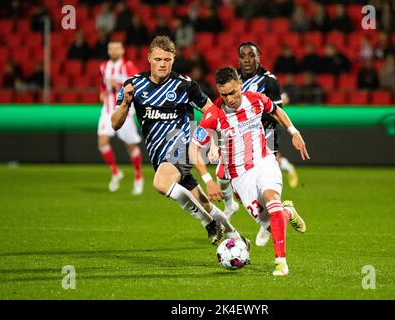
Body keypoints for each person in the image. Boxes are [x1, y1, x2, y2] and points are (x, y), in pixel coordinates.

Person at [111, 36, 247, 246]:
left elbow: (212, 111)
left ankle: (209, 224)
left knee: (161, 183)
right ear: (149, 58)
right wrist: (124, 104)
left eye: (167, 59)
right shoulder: (133, 85)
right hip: (160, 156)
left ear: (173, 59)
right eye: (158, 59)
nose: (162, 64)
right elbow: (115, 124)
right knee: (202, 201)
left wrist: (212, 142)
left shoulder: (185, 85)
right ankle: (237, 237)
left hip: (184, 145)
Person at [189, 66, 309, 276]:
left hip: (263, 162)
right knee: (273, 225)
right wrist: (208, 180)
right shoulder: (213, 115)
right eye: (224, 94)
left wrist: (294, 131)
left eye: (233, 92)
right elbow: (193, 149)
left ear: (240, 85)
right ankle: (288, 210)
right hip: (240, 177)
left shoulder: (256, 100)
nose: (230, 99)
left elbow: (276, 111)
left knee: (272, 201)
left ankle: (281, 262)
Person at [214, 42, 300, 245]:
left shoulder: (269, 82)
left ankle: (267, 222)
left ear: (258, 57)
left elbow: (274, 112)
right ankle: (232, 206)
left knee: (265, 184)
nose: (246, 59)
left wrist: (290, 133)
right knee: (224, 175)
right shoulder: (233, 80)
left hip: (264, 134)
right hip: (236, 136)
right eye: (242, 55)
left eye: (251, 55)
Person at [98, 41, 144, 195]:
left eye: (116, 48)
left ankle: (138, 177)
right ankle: (116, 172)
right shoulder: (103, 66)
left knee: (130, 146)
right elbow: (103, 84)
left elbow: (138, 85)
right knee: (102, 142)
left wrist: (118, 84)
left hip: (125, 111)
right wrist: (103, 92)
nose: (113, 50)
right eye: (110, 48)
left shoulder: (128, 66)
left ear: (123, 50)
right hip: (107, 110)